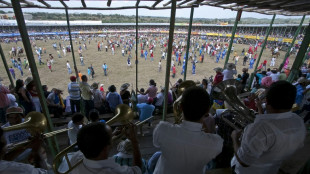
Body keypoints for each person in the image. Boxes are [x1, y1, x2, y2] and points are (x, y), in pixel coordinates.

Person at [231, 81, 306, 174]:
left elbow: (243, 161)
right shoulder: (298, 120)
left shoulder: (258, 128)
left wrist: (235, 138)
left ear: (266, 101)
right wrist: (259, 107)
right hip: (272, 169)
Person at [153, 87, 223, 174]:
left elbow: (156, 144)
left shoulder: (162, 129)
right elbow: (209, 137)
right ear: (207, 111)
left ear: (181, 107)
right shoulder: (216, 143)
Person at [70, 122, 142, 174]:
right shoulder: (113, 171)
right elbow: (138, 169)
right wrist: (134, 141)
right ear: (105, 147)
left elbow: (93, 141)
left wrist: (111, 135)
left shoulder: (76, 157)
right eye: (111, 137)